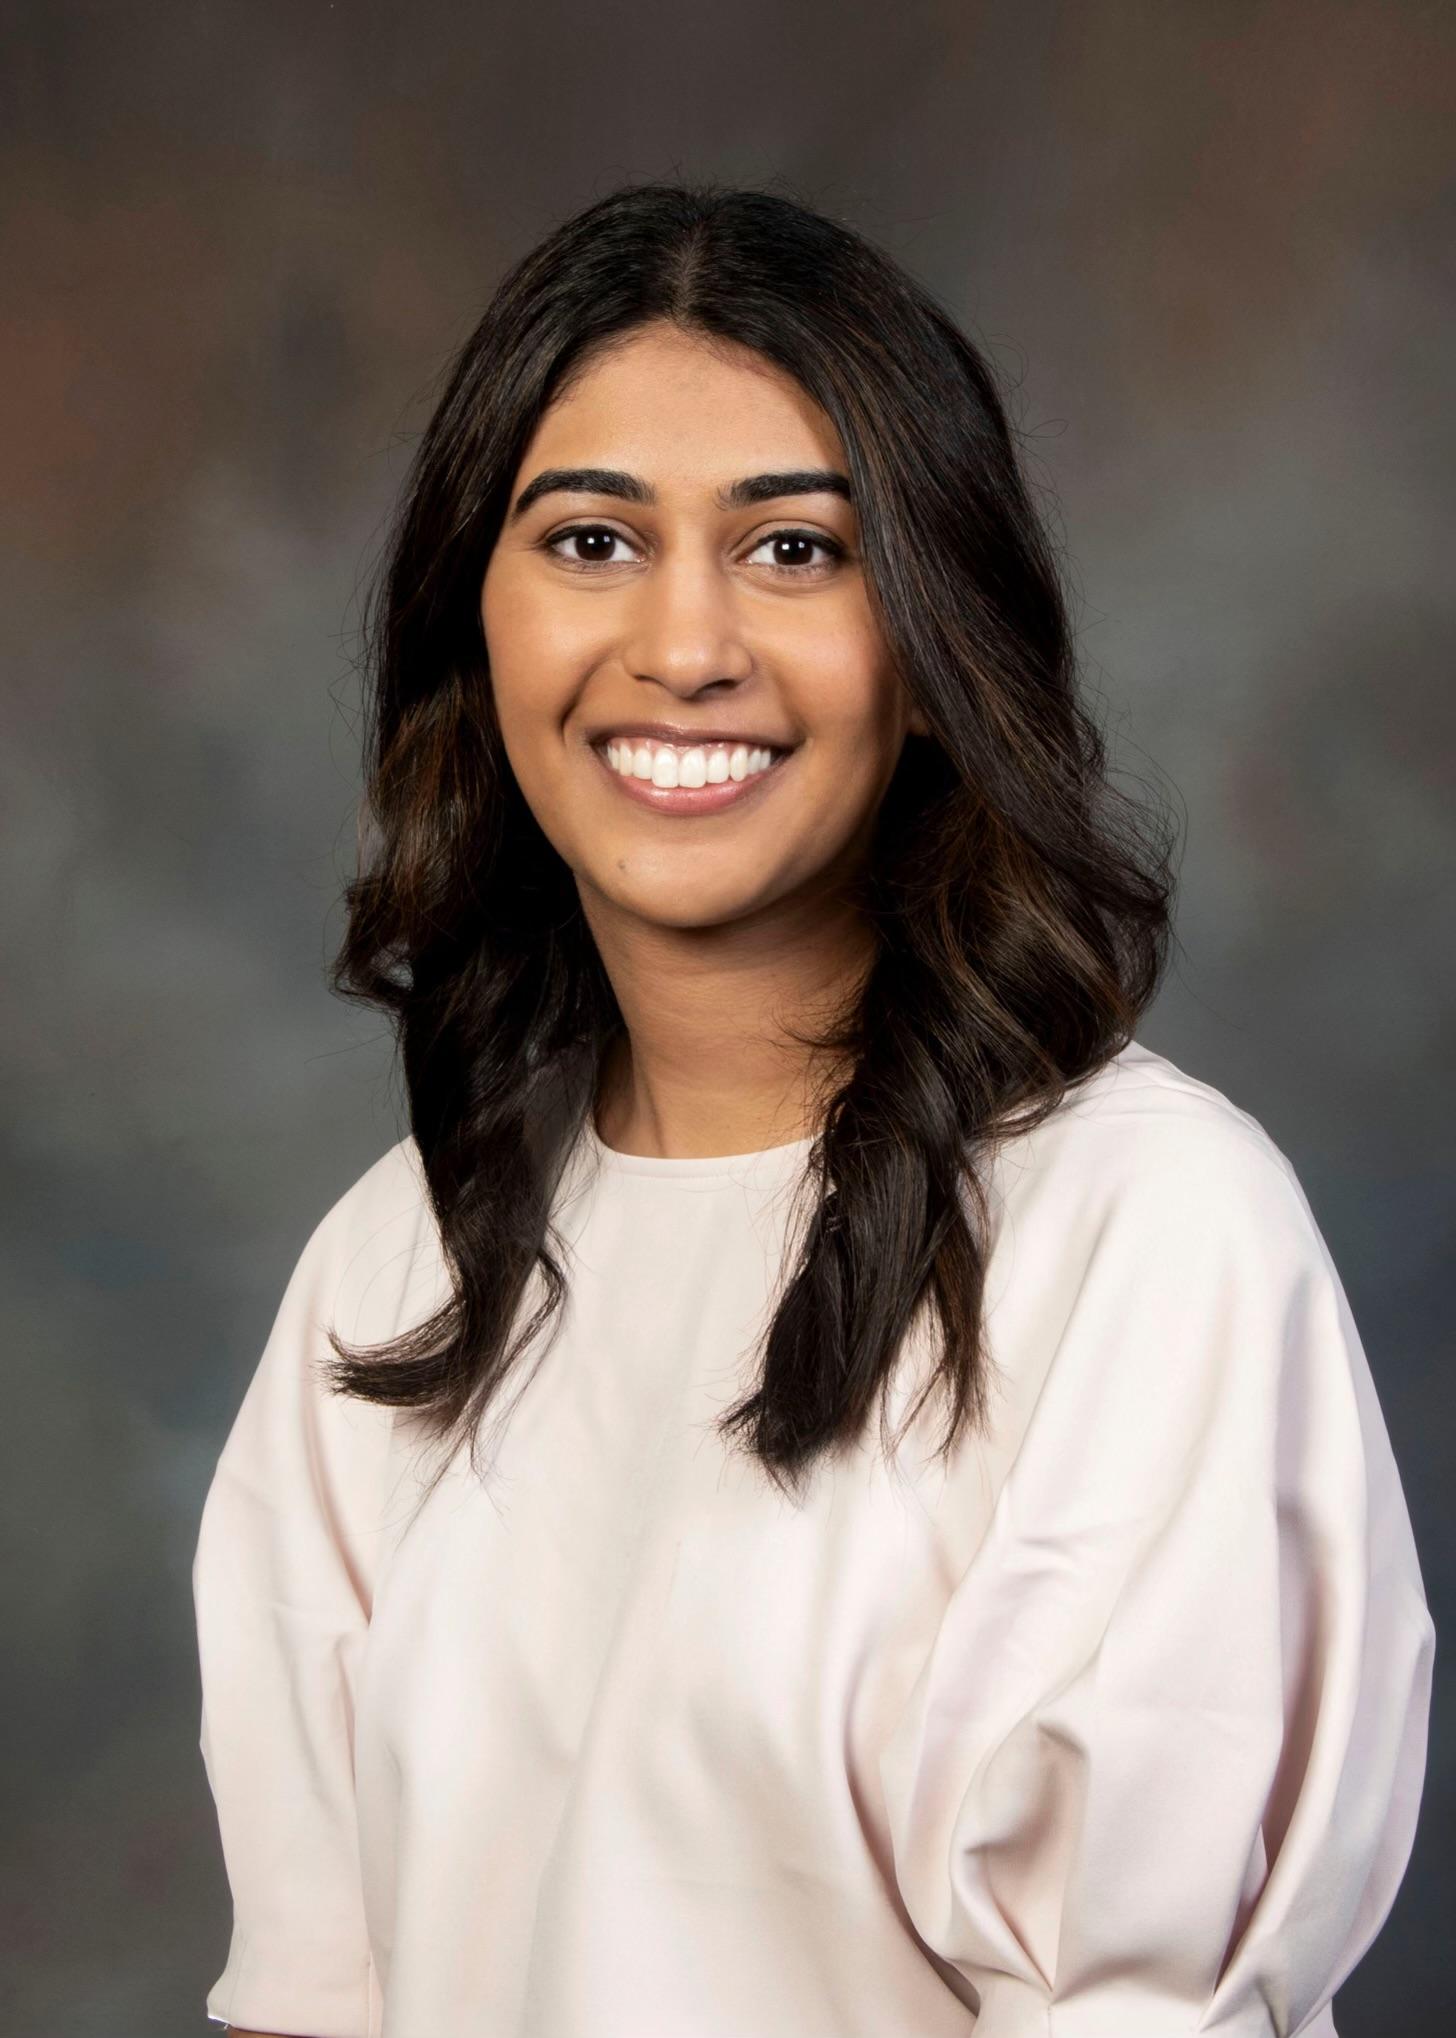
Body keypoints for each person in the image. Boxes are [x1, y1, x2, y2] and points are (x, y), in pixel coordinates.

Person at [191, 180, 1435, 2038]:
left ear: (936, 656)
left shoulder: (1146, 1235)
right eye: (593, 539)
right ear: (484, 629)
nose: (684, 643)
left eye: (794, 551)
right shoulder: (393, 1271)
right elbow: (317, 2000)